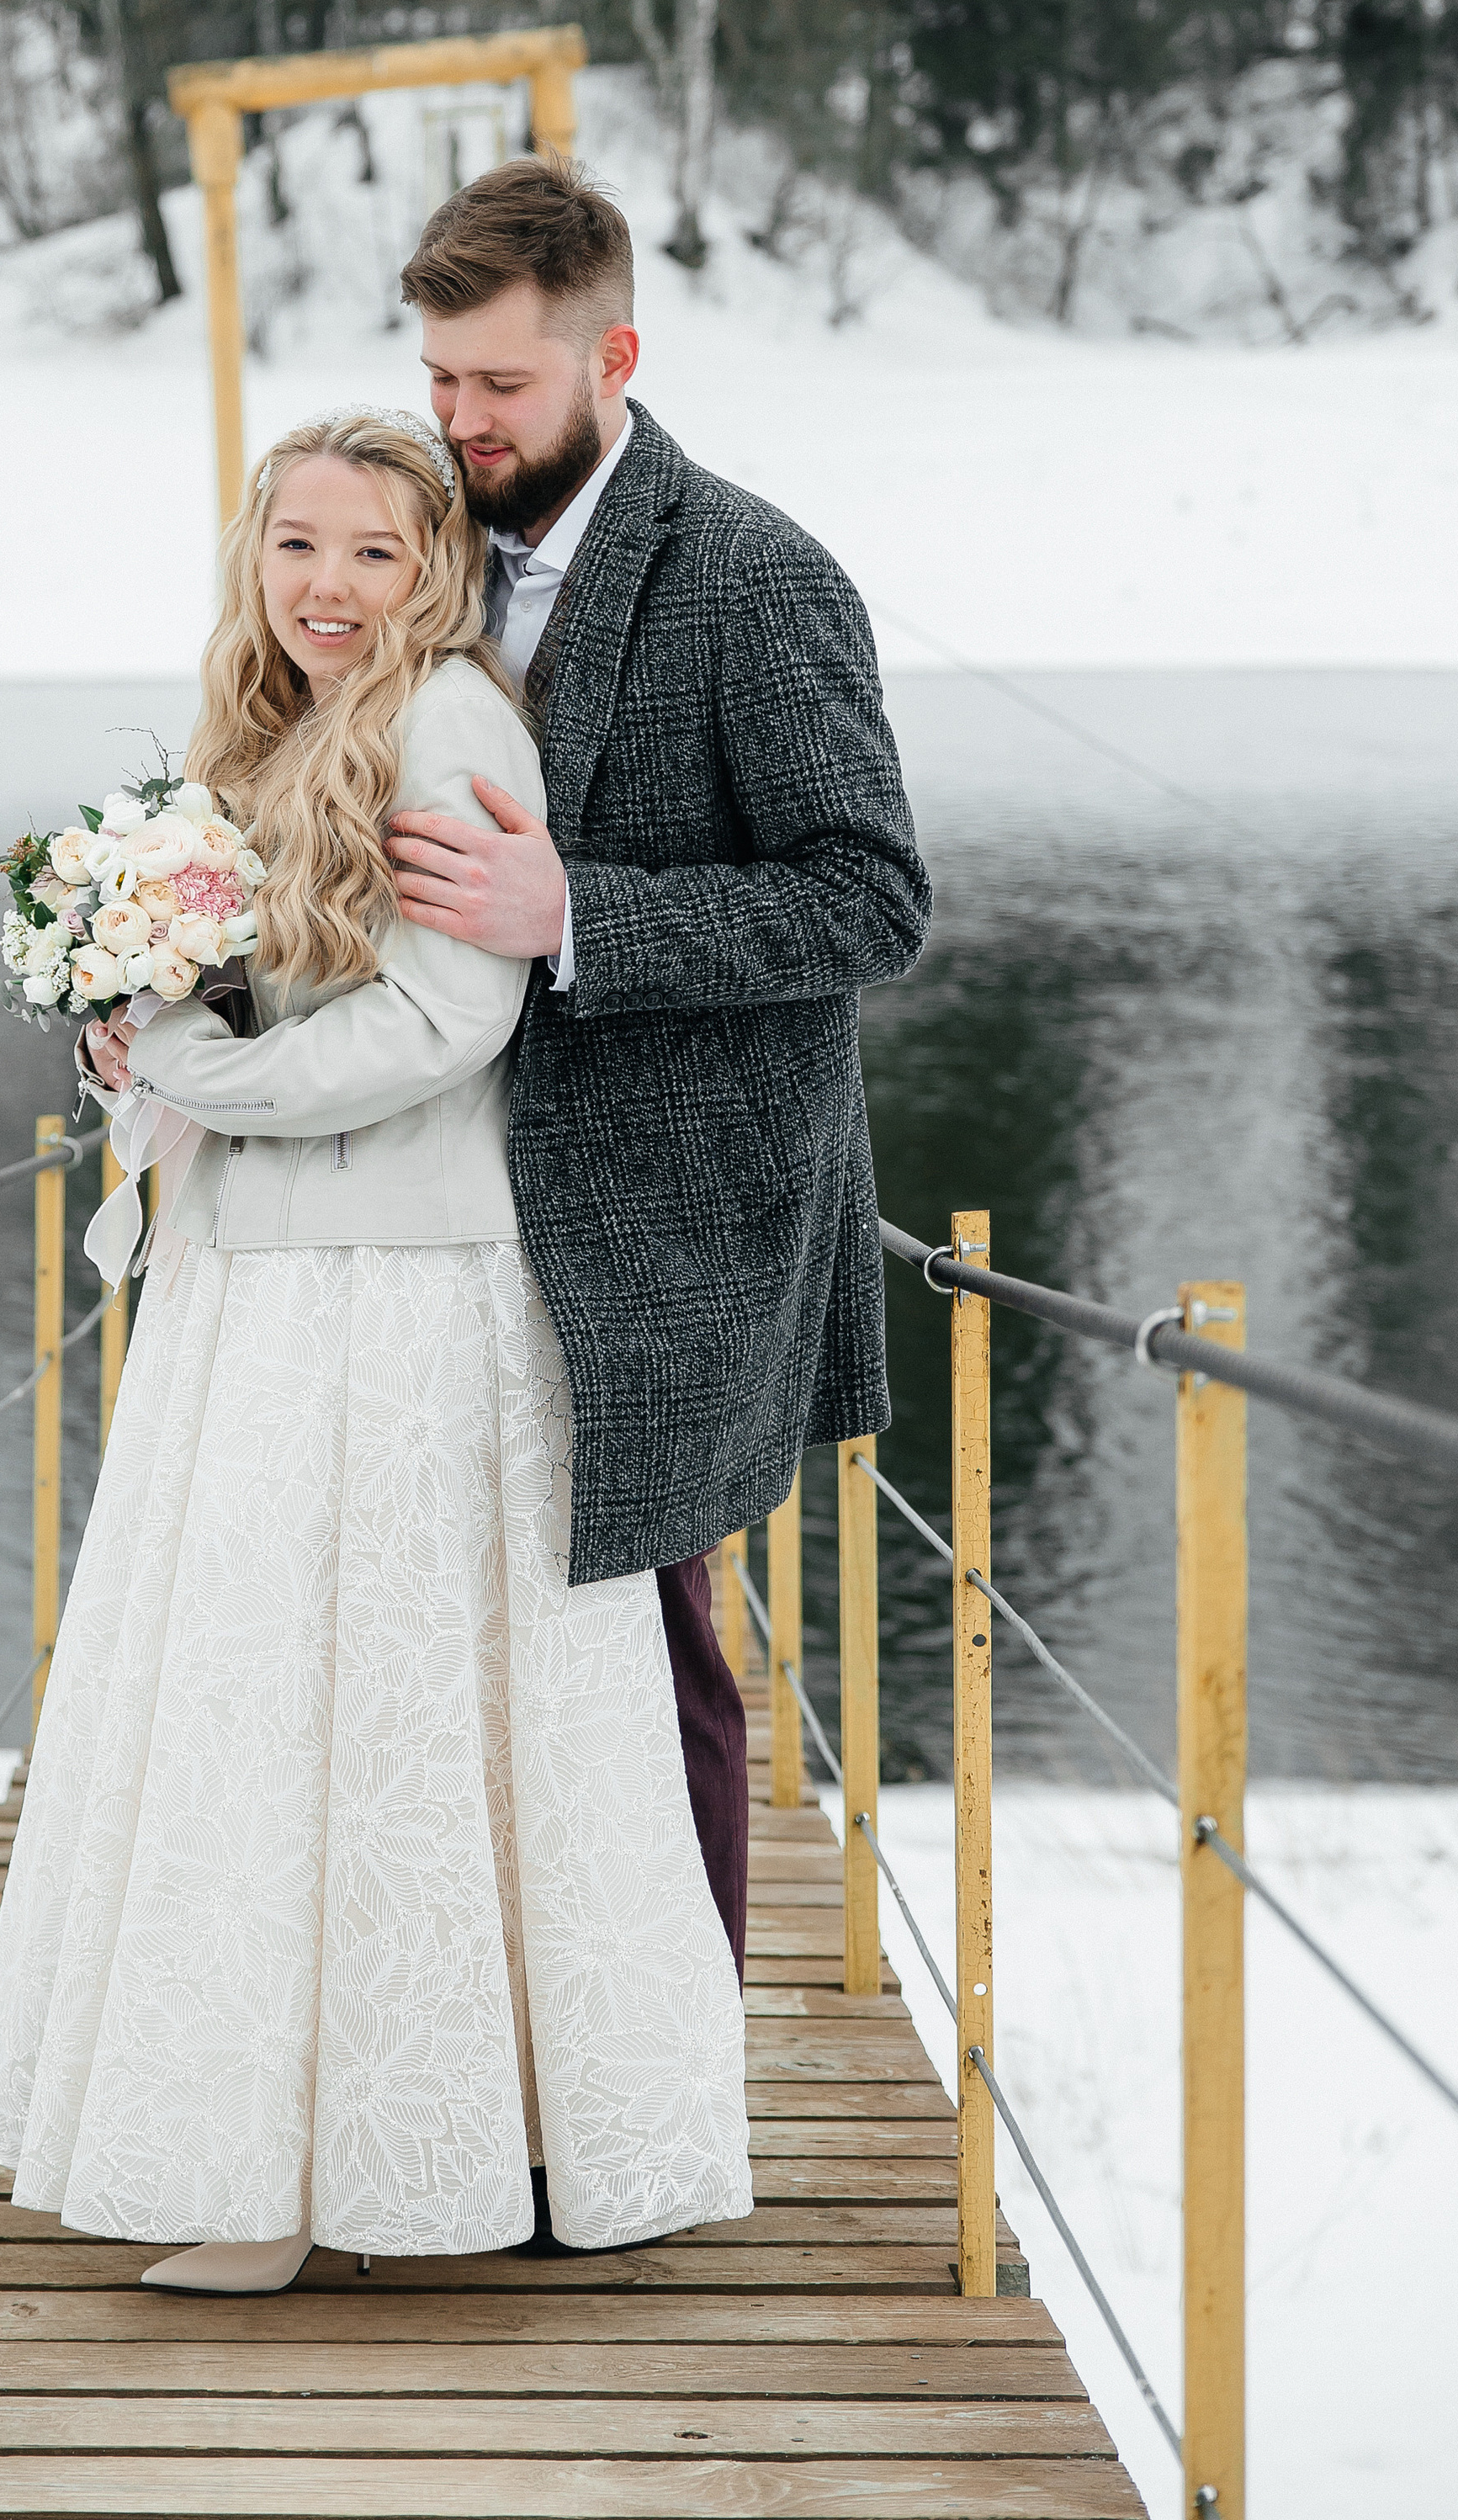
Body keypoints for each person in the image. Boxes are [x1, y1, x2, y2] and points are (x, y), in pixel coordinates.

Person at [0, 405, 752, 2293]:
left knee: (383, 1713)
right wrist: (129, 1017)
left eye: (374, 554)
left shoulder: (447, 720)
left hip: (399, 1290)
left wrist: (207, 1076)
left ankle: (386, 2158)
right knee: (255, 1704)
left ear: (439, 572)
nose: (327, 586)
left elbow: (447, 1019)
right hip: (265, 1279)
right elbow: (255, 988)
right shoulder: (265, 726)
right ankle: (267, 2145)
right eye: (296, 546)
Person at [386, 159, 933, 2012]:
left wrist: (575, 914)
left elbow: (867, 899)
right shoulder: (417, 552)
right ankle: (489, 2049)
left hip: (675, 1222)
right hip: (437, 1204)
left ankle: (662, 2081)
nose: (458, 424)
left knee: (651, 1650)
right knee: (458, 1655)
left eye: (498, 387)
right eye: (438, 382)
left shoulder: (758, 577)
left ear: (612, 353)